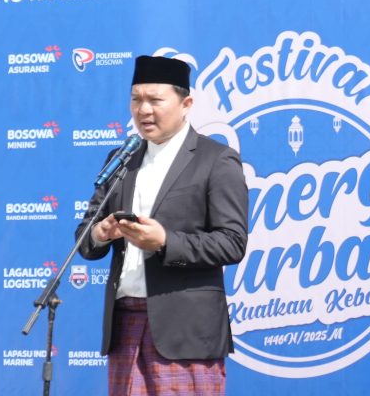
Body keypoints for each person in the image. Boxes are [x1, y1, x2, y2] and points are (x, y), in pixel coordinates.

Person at [76, 55, 249, 396]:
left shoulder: (216, 159)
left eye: (155, 100)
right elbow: (85, 237)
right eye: (136, 99)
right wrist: (101, 233)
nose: (143, 110)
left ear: (186, 104)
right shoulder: (120, 159)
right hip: (125, 323)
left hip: (184, 331)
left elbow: (232, 242)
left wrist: (165, 241)